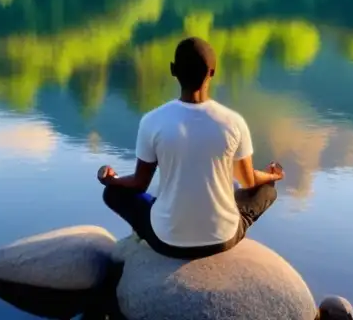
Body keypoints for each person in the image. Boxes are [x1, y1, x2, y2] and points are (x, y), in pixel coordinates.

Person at [98, 37, 284, 259]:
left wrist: (112, 179)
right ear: (212, 73)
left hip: (165, 241)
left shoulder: (152, 121)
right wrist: (272, 175)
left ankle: (164, 215)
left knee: (113, 193)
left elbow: (139, 184)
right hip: (222, 239)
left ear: (173, 70)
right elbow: (248, 181)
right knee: (267, 190)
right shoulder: (233, 122)